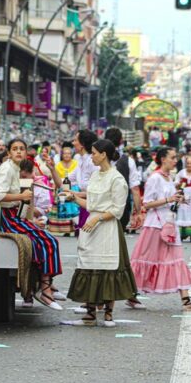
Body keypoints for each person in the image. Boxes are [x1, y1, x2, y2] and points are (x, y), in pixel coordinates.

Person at [63, 140, 137, 327]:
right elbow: (91, 205)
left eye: (94, 153)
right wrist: (73, 197)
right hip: (91, 227)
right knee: (89, 265)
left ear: (104, 154)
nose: (92, 156)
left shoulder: (117, 179)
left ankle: (109, 314)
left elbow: (117, 210)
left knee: (108, 268)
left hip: (108, 228)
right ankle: (89, 314)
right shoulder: (95, 175)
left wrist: (96, 218)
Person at [130, 147, 191, 311]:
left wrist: (178, 200)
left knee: (176, 259)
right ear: (163, 159)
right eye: (172, 157)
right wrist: (169, 199)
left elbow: (168, 201)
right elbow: (147, 203)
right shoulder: (155, 178)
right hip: (155, 225)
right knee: (144, 259)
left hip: (169, 225)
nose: (175, 160)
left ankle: (186, 299)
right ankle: (130, 293)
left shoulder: (169, 178)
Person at [0, 138, 63, 310]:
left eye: (21, 149)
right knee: (47, 241)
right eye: (14, 149)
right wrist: (21, 197)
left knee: (45, 240)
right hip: (5, 218)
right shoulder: (7, 169)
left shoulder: (16, 168)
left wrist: (51, 166)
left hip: (13, 215)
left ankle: (42, 286)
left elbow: (52, 177)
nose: (18, 152)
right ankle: (44, 289)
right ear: (8, 152)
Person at [72, 130, 98, 232]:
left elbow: (97, 191)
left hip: (93, 206)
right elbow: (66, 180)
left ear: (82, 144)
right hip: (84, 204)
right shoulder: (80, 160)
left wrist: (76, 194)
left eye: (75, 140)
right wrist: (52, 169)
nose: (73, 143)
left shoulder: (92, 162)